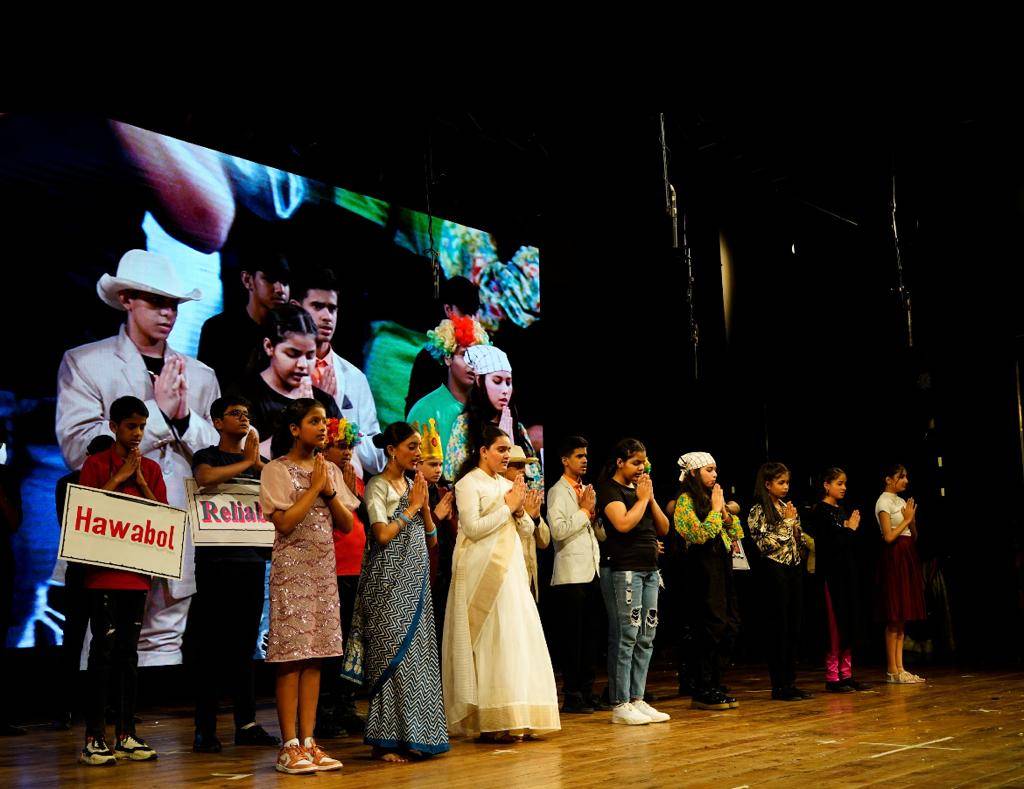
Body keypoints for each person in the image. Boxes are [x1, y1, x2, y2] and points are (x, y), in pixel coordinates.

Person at [56, 250, 221, 667]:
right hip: (113, 522)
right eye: (156, 301)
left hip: (176, 525)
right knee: (105, 636)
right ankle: (102, 711)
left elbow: (218, 452)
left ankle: (152, 712)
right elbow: (78, 447)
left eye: (174, 304)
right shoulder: (86, 362)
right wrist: (159, 415)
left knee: (165, 639)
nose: (168, 313)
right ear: (126, 299)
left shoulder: (200, 375)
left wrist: (183, 419)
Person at [443, 425, 560, 742]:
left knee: (514, 639)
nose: (507, 455)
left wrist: (523, 514)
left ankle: (517, 716)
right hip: (481, 571)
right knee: (491, 642)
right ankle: (492, 720)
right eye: (501, 449)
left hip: (511, 571)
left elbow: (524, 533)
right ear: (483, 451)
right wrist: (508, 507)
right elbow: (472, 528)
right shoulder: (468, 484)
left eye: (509, 449)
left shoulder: (506, 484)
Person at [343, 421, 450, 762]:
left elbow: (431, 539)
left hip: (415, 581)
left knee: (417, 658)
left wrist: (425, 507)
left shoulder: (413, 485)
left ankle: (417, 735)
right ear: (392, 450)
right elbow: (382, 535)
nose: (418, 453)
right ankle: (385, 741)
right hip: (387, 584)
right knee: (392, 657)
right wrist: (412, 507)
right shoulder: (377, 485)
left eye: (419, 447)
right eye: (412, 447)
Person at [260, 398, 355, 774]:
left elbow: (346, 525)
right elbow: (284, 524)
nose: (322, 428)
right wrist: (315, 488)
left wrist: (328, 490)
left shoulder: (328, 469)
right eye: (314, 421)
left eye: (324, 421)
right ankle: (289, 745)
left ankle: (309, 741)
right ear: (294, 429)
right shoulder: (277, 470)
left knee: (315, 655)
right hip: (292, 573)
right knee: (291, 658)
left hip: (322, 572)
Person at [76, 396, 165, 766]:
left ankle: (126, 734)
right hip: (102, 576)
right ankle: (94, 738)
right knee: (102, 654)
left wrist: (140, 481)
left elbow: (163, 519)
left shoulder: (152, 469)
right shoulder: (95, 464)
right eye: (131, 426)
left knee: (129, 656)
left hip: (137, 577)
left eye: (142, 426)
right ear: (113, 427)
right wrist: (119, 478)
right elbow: (86, 511)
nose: (137, 433)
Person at [189, 396, 280, 752]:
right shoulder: (208, 456)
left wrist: (257, 465)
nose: (244, 419)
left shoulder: (261, 464)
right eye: (235, 414)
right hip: (215, 563)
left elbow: (279, 488)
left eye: (247, 414)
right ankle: (205, 728)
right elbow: (204, 479)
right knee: (210, 648)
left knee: (245, 648)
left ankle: (247, 723)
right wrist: (247, 463)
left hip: (251, 563)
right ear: (216, 422)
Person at [597, 438, 672, 726]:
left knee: (646, 635)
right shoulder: (610, 490)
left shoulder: (642, 491)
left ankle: (637, 697)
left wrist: (649, 498)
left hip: (650, 570)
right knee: (626, 635)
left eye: (644, 462)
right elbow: (623, 523)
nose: (642, 467)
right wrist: (641, 499)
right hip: (623, 571)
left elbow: (664, 528)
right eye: (635, 462)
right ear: (620, 462)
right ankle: (620, 702)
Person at [291, 268, 386, 475]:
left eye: (332, 309)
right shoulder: (284, 370)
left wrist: (339, 421)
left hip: (344, 487)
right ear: (296, 307)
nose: (327, 317)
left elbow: (377, 460)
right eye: (317, 306)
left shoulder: (355, 378)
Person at [52, 434, 114, 731]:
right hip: (79, 571)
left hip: (111, 572)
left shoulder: (124, 482)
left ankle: (107, 705)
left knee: (107, 643)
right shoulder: (68, 483)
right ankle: (64, 707)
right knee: (73, 640)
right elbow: (72, 522)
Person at [674, 451, 744, 711]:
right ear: (693, 473)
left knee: (730, 623)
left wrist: (723, 512)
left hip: (722, 563)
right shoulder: (685, 501)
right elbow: (699, 534)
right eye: (709, 470)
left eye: (715, 469)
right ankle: (703, 686)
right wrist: (716, 511)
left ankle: (716, 681)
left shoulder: (712, 497)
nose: (715, 474)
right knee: (710, 625)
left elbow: (736, 532)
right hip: (701, 567)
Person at [230, 304, 339, 458]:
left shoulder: (324, 401)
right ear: (269, 347)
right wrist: (296, 422)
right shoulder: (241, 396)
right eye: (293, 354)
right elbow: (239, 459)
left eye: (310, 356)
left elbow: (351, 462)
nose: (302, 364)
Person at [316, 417, 368, 739]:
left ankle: (346, 705)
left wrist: (352, 489)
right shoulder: (319, 477)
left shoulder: (355, 479)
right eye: (340, 446)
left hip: (356, 570)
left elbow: (363, 518)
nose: (347, 452)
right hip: (332, 570)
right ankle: (323, 711)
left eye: (350, 446)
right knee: (331, 646)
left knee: (352, 644)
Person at [547, 436, 605, 715]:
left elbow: (598, 535)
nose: (584, 460)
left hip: (591, 571)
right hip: (570, 575)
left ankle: (587, 691)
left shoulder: (586, 490)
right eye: (579, 456)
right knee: (573, 639)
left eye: (586, 456)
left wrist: (593, 515)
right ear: (565, 460)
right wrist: (583, 510)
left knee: (591, 637)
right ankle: (572, 695)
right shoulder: (558, 491)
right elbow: (558, 531)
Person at [748, 462, 813, 702]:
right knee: (779, 627)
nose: (786, 487)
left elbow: (796, 539)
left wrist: (796, 529)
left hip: (793, 568)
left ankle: (790, 682)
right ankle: (779, 685)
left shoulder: (787, 507)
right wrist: (787, 524)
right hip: (774, 571)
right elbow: (764, 545)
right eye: (781, 482)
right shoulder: (758, 510)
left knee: (794, 626)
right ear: (768, 484)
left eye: (787, 482)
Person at [806, 468, 872, 694]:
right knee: (834, 624)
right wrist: (848, 530)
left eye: (845, 483)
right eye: (839, 483)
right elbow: (831, 545)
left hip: (846, 574)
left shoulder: (840, 510)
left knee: (848, 622)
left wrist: (849, 531)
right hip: (830, 576)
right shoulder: (820, 511)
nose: (844, 488)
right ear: (826, 485)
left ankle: (847, 673)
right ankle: (833, 676)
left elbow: (848, 543)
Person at [443, 345, 541, 491]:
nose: (504, 390)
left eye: (508, 382)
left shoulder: (518, 428)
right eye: (497, 381)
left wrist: (514, 450)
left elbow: (537, 483)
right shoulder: (464, 425)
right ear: (479, 381)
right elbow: (454, 479)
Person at [198, 254, 290, 392]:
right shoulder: (218, 329)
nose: (280, 289)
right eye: (270, 279)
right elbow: (205, 389)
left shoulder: (291, 334)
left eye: (285, 281)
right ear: (247, 280)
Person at [407, 314, 489, 454]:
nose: (472, 363)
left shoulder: (488, 409)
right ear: (448, 358)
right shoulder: (425, 410)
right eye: (464, 355)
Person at [875, 463, 926, 685]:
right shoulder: (883, 502)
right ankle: (892, 669)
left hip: (907, 554)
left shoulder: (902, 501)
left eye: (906, 476)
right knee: (894, 615)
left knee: (902, 616)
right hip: (893, 556)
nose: (906, 480)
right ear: (888, 479)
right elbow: (888, 537)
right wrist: (906, 519)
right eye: (901, 476)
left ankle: (901, 668)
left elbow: (913, 535)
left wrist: (912, 521)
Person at [404, 276, 481, 415]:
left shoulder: (484, 356)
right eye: (464, 312)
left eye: (473, 313)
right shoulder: (427, 358)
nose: (470, 320)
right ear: (448, 309)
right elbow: (415, 411)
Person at [502, 445, 550, 602]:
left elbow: (544, 542)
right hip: (510, 578)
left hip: (531, 578)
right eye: (517, 465)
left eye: (523, 465)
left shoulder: (529, 496)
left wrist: (536, 518)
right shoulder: (500, 498)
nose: (522, 470)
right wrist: (526, 516)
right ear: (504, 468)